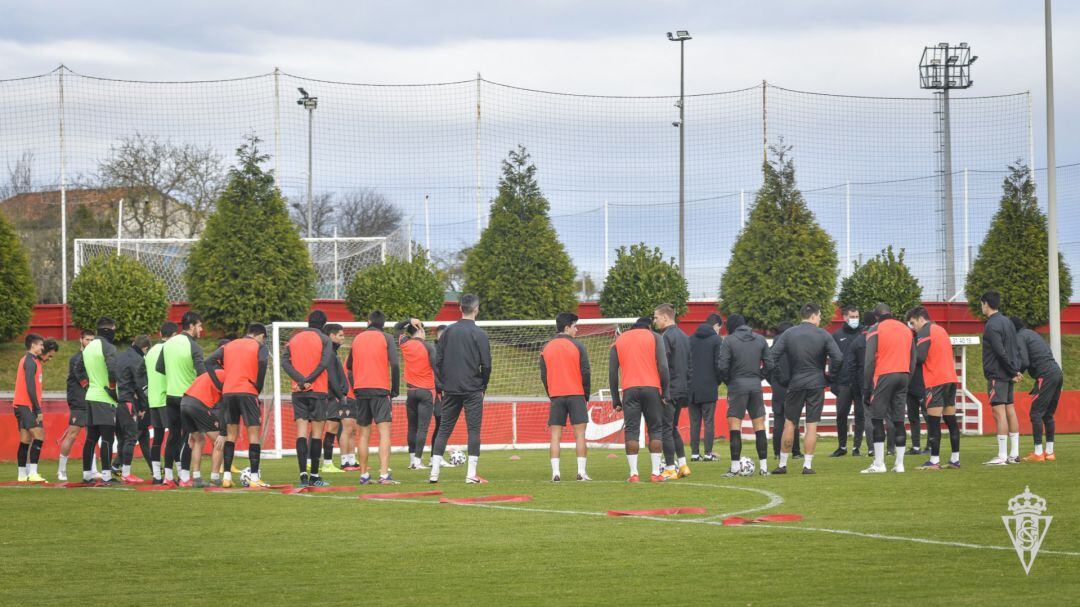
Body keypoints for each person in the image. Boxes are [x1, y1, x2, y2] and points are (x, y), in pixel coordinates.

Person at [768, 303, 843, 475]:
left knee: (789, 424)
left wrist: (781, 378)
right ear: (814, 316)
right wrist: (829, 376)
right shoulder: (823, 334)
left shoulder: (789, 333)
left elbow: (771, 357)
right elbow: (838, 357)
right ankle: (807, 466)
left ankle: (783, 464)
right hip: (816, 383)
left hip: (795, 382)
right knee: (812, 425)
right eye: (820, 315)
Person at [430, 295, 492, 484]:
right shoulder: (479, 334)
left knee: (444, 430)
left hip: (451, 389)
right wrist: (483, 385)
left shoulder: (447, 332)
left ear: (460, 308)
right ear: (476, 309)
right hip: (472, 388)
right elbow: (487, 365)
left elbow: (437, 361)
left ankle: (434, 473)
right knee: (473, 430)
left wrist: (444, 382)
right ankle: (471, 474)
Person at [206, 323, 269, 488]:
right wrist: (258, 386)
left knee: (231, 435)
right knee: (253, 435)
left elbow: (209, 362)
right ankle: (254, 478)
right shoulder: (258, 346)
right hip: (247, 391)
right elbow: (262, 362)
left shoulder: (229, 345)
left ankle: (226, 477)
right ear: (261, 335)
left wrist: (220, 385)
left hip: (228, 393)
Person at [609, 316, 669, 482]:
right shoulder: (655, 337)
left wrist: (616, 400)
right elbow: (663, 367)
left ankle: (633, 474)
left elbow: (612, 373)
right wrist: (666, 393)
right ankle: (655, 473)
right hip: (652, 388)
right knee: (656, 429)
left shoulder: (620, 340)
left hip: (629, 390)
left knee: (632, 431)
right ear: (648, 327)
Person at [346, 310, 400, 485]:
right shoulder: (387, 338)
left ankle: (363, 475)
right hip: (380, 390)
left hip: (361, 390)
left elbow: (349, 367)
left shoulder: (357, 339)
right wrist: (395, 389)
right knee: (384, 433)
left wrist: (355, 387)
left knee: (363, 434)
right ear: (383, 324)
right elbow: (395, 364)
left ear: (368, 321)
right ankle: (384, 475)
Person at [282, 310, 335, 487]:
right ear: (324, 324)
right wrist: (309, 381)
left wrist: (300, 381)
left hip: (298, 391)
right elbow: (324, 363)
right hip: (317, 390)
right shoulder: (325, 339)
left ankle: (302, 475)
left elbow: (285, 362)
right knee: (317, 434)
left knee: (301, 433)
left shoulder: (294, 339)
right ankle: (314, 476)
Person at [861, 303, 915, 474]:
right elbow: (913, 357)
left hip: (884, 375)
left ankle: (879, 464)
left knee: (877, 418)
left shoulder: (875, 329)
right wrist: (908, 377)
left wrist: (866, 386)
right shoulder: (906, 329)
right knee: (899, 420)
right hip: (904, 374)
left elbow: (869, 361)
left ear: (876, 316)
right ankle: (899, 464)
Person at [717, 314, 774, 476]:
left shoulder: (729, 340)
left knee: (735, 427)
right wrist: (759, 377)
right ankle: (763, 468)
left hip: (737, 386)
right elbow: (770, 364)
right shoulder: (760, 339)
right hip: (755, 385)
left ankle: (735, 468)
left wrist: (730, 381)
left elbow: (722, 366)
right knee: (759, 426)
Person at [906, 306, 961, 470]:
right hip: (950, 379)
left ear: (920, 318)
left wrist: (908, 355)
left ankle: (934, 461)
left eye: (912, 323)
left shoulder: (925, 330)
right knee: (951, 421)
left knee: (934, 422)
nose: (912, 327)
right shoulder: (941, 330)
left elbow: (921, 357)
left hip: (936, 381)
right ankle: (955, 460)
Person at [540, 312, 592, 482]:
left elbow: (543, 375)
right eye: (575, 326)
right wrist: (586, 394)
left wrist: (551, 393)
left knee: (555, 435)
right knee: (580, 435)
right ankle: (581, 473)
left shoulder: (546, 347)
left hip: (556, 395)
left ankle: (555, 473)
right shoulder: (578, 346)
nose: (577, 330)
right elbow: (585, 372)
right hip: (576, 394)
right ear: (567, 327)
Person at [156, 311, 205, 487]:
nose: (201, 329)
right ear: (191, 326)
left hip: (170, 396)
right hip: (188, 397)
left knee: (173, 437)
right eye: (199, 325)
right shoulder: (194, 347)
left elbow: (159, 367)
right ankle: (184, 477)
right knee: (188, 437)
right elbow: (202, 374)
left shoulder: (168, 344)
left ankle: (168, 476)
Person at [1012, 316, 1063, 462]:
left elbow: (1025, 361)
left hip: (1045, 375)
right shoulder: (1032, 333)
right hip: (1057, 372)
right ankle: (1050, 452)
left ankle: (1038, 453)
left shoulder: (1019, 336)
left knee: (1036, 414)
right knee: (1048, 415)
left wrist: (1017, 372)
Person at [980, 291, 1022, 465]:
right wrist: (1014, 370)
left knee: (999, 414)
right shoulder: (1008, 322)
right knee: (1010, 411)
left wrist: (1012, 371)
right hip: (1008, 374)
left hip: (998, 374)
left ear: (986, 304)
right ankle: (1014, 454)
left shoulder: (991, 325)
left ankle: (1002, 456)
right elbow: (1013, 349)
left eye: (981, 304)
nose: (981, 307)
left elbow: (1000, 352)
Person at [653, 304, 692, 480]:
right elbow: (690, 366)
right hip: (683, 389)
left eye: (656, 317)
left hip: (670, 390)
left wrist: (663, 392)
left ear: (665, 318)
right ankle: (683, 465)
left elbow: (664, 366)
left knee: (665, 429)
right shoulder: (685, 336)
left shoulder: (665, 337)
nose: (654, 321)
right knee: (673, 427)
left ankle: (670, 468)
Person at [13, 335, 58, 482]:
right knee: (39, 435)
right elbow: (30, 388)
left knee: (25, 439)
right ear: (33, 345)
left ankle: (21, 475)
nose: (42, 348)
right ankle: (33, 473)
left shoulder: (33, 361)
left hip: (23, 405)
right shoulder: (30, 361)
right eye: (40, 345)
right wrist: (38, 409)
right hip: (26, 405)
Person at [82, 317, 121, 484]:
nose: (114, 332)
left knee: (91, 438)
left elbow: (78, 369)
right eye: (113, 329)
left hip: (90, 396)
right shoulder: (108, 347)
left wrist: (87, 385)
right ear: (108, 330)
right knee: (107, 438)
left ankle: (86, 474)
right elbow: (112, 370)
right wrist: (112, 389)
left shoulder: (88, 347)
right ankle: (106, 475)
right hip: (104, 398)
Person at [398, 319, 441, 471]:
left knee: (412, 427)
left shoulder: (405, 343)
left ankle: (412, 461)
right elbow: (436, 368)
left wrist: (409, 321)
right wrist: (443, 385)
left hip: (411, 391)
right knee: (423, 428)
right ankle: (418, 461)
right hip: (427, 391)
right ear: (421, 331)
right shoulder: (428, 346)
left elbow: (397, 328)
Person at [178, 368, 226, 488]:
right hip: (199, 405)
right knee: (219, 442)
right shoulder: (227, 376)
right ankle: (215, 479)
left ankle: (197, 478)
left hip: (184, 403)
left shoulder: (208, 374)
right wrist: (223, 432)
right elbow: (226, 406)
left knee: (198, 440)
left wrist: (191, 431)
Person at [58, 329, 95, 481]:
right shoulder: (76, 359)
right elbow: (81, 378)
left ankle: (92, 470)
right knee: (72, 435)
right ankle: (61, 470)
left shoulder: (93, 358)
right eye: (87, 340)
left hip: (92, 401)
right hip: (79, 402)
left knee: (93, 436)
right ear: (81, 340)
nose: (90, 343)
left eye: (93, 340)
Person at [116, 334, 151, 483]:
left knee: (124, 438)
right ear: (145, 348)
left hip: (118, 401)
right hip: (129, 401)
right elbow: (140, 385)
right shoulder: (138, 360)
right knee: (131, 437)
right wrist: (144, 406)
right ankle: (126, 473)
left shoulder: (121, 355)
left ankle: (115, 469)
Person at [688, 313, 723, 462]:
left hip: (692, 388)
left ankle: (695, 454)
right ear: (716, 326)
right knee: (709, 421)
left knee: (694, 422)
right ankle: (708, 453)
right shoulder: (716, 340)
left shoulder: (690, 339)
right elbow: (718, 364)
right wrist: (718, 380)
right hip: (709, 386)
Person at [322, 324, 357, 471]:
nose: (344, 338)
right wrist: (340, 395)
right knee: (336, 428)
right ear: (331, 336)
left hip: (342, 397)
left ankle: (350, 461)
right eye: (341, 335)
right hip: (338, 398)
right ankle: (336, 462)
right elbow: (332, 377)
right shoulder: (329, 353)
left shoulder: (333, 353)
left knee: (346, 428)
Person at [144, 322, 176, 484]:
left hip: (153, 399)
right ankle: (173, 475)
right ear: (174, 335)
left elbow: (141, 374)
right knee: (175, 437)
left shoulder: (150, 352)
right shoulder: (169, 350)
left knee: (157, 438)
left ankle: (157, 475)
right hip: (166, 398)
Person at [829, 305, 862, 457]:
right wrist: (833, 382)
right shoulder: (837, 335)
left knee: (860, 415)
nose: (855, 319)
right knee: (841, 415)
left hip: (861, 383)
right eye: (852, 316)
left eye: (857, 316)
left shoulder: (864, 333)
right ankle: (842, 446)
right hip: (843, 382)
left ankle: (857, 447)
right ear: (844, 317)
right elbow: (833, 360)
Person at [768, 322, 801, 459]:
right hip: (793, 387)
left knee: (778, 420)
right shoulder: (794, 347)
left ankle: (777, 452)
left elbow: (767, 370)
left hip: (778, 389)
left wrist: (775, 382)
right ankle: (796, 451)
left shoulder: (772, 349)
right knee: (793, 420)